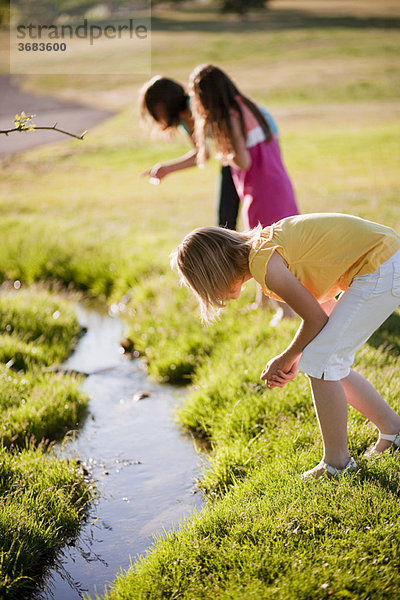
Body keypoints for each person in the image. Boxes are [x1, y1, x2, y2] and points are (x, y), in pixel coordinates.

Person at [171, 212, 400, 479]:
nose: (215, 295)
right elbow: (323, 315)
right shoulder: (265, 248)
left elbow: (314, 319)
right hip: (384, 259)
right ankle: (393, 430)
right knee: (324, 359)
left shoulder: (264, 265)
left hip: (381, 265)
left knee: (323, 361)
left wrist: (285, 357)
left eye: (207, 287)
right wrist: (296, 356)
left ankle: (337, 464)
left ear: (216, 272)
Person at [189, 63, 299, 318]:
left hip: (259, 191)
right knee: (267, 246)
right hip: (277, 182)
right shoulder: (246, 105)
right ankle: (265, 302)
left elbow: (244, 161)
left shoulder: (229, 116)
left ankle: (287, 309)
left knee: (263, 250)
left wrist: (224, 152)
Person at [139, 75, 240, 229]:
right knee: (225, 222)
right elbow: (201, 154)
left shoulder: (193, 105)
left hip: (244, 151)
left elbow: (204, 154)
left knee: (230, 220)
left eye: (156, 111)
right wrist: (166, 168)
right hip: (231, 157)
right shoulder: (183, 119)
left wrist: (167, 168)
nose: (158, 118)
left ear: (162, 106)